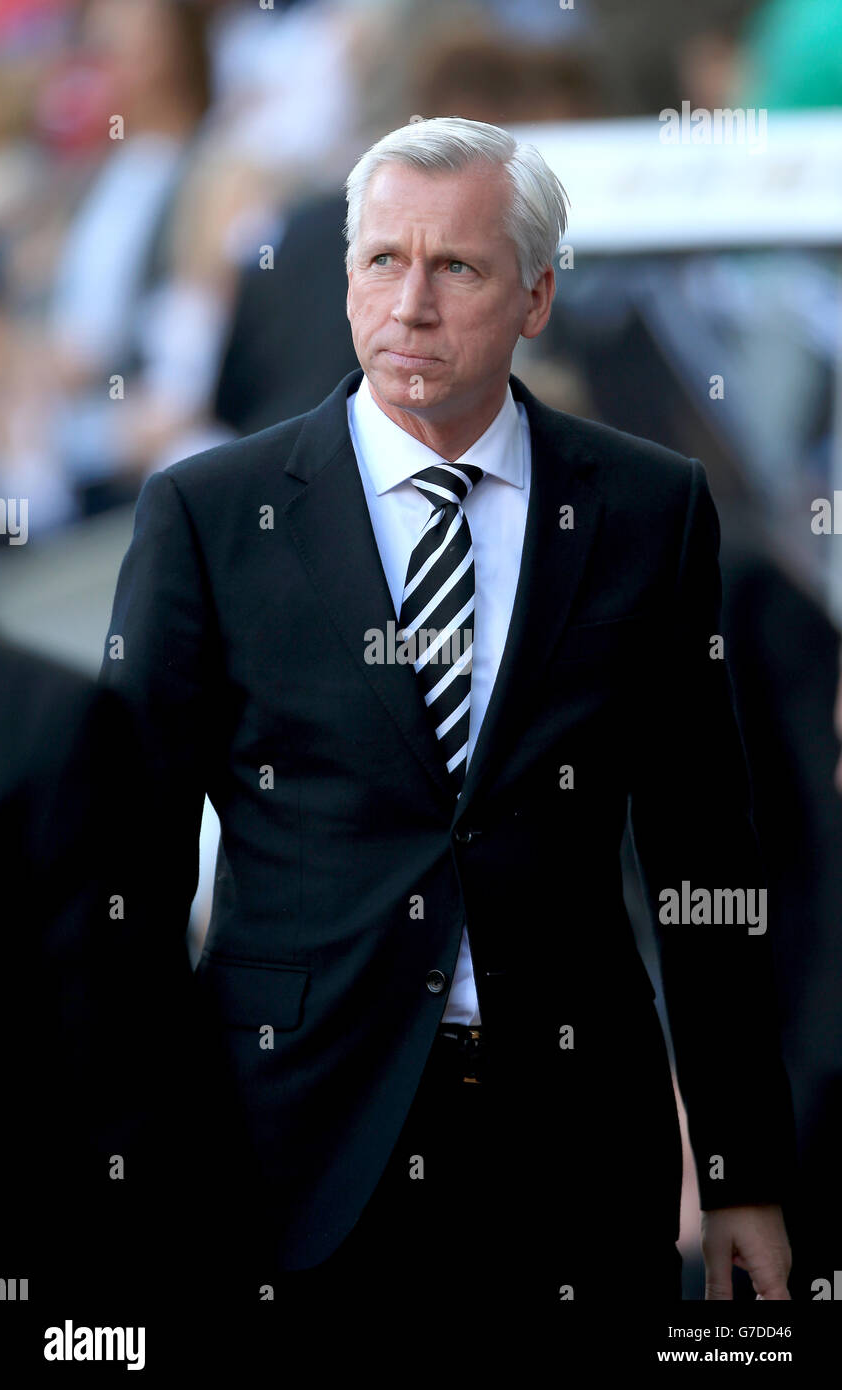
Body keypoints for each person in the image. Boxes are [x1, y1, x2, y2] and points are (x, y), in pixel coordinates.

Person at [98, 116, 796, 1332]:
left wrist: (738, 1174)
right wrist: (131, 1159)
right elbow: (118, 870)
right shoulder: (212, 516)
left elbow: (704, 859)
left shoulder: (645, 509)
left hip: (571, 1151)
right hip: (290, 1148)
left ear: (533, 297)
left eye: (454, 269)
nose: (408, 305)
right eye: (381, 262)